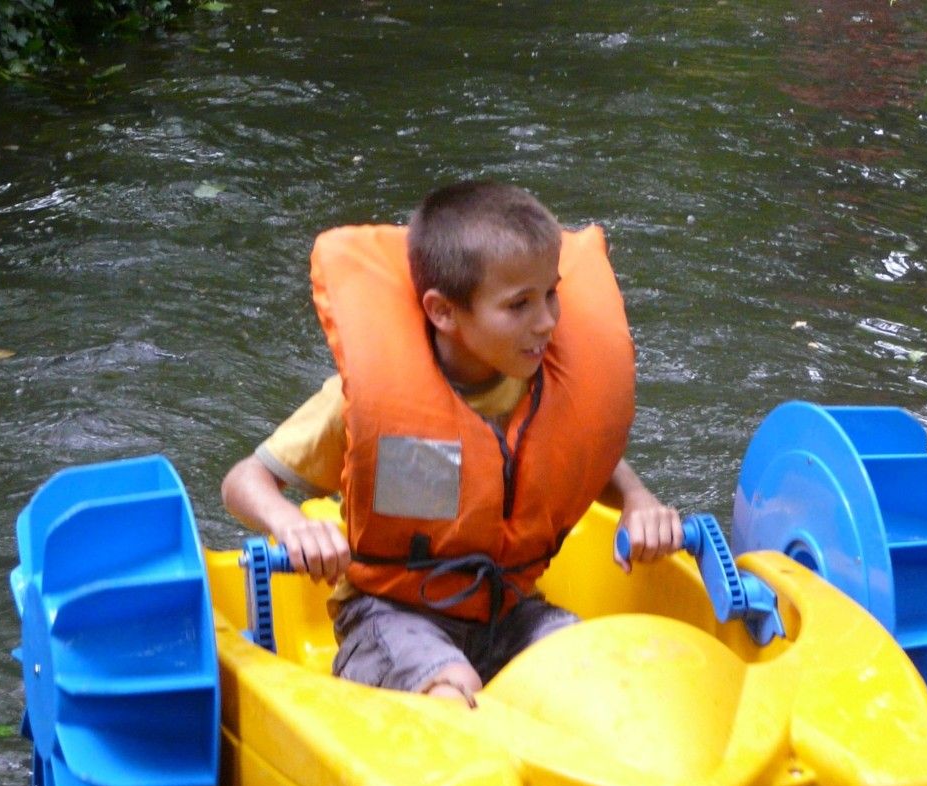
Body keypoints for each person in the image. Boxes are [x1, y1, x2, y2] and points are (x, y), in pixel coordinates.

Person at [222, 181, 683, 705]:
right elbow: (243, 481)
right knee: (451, 688)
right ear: (443, 312)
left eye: (551, 294)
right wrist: (292, 526)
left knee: (602, 671)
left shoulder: (541, 383)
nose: (547, 322)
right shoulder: (361, 401)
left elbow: (585, 450)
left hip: (511, 612)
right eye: (519, 305)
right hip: (388, 616)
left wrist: (639, 500)